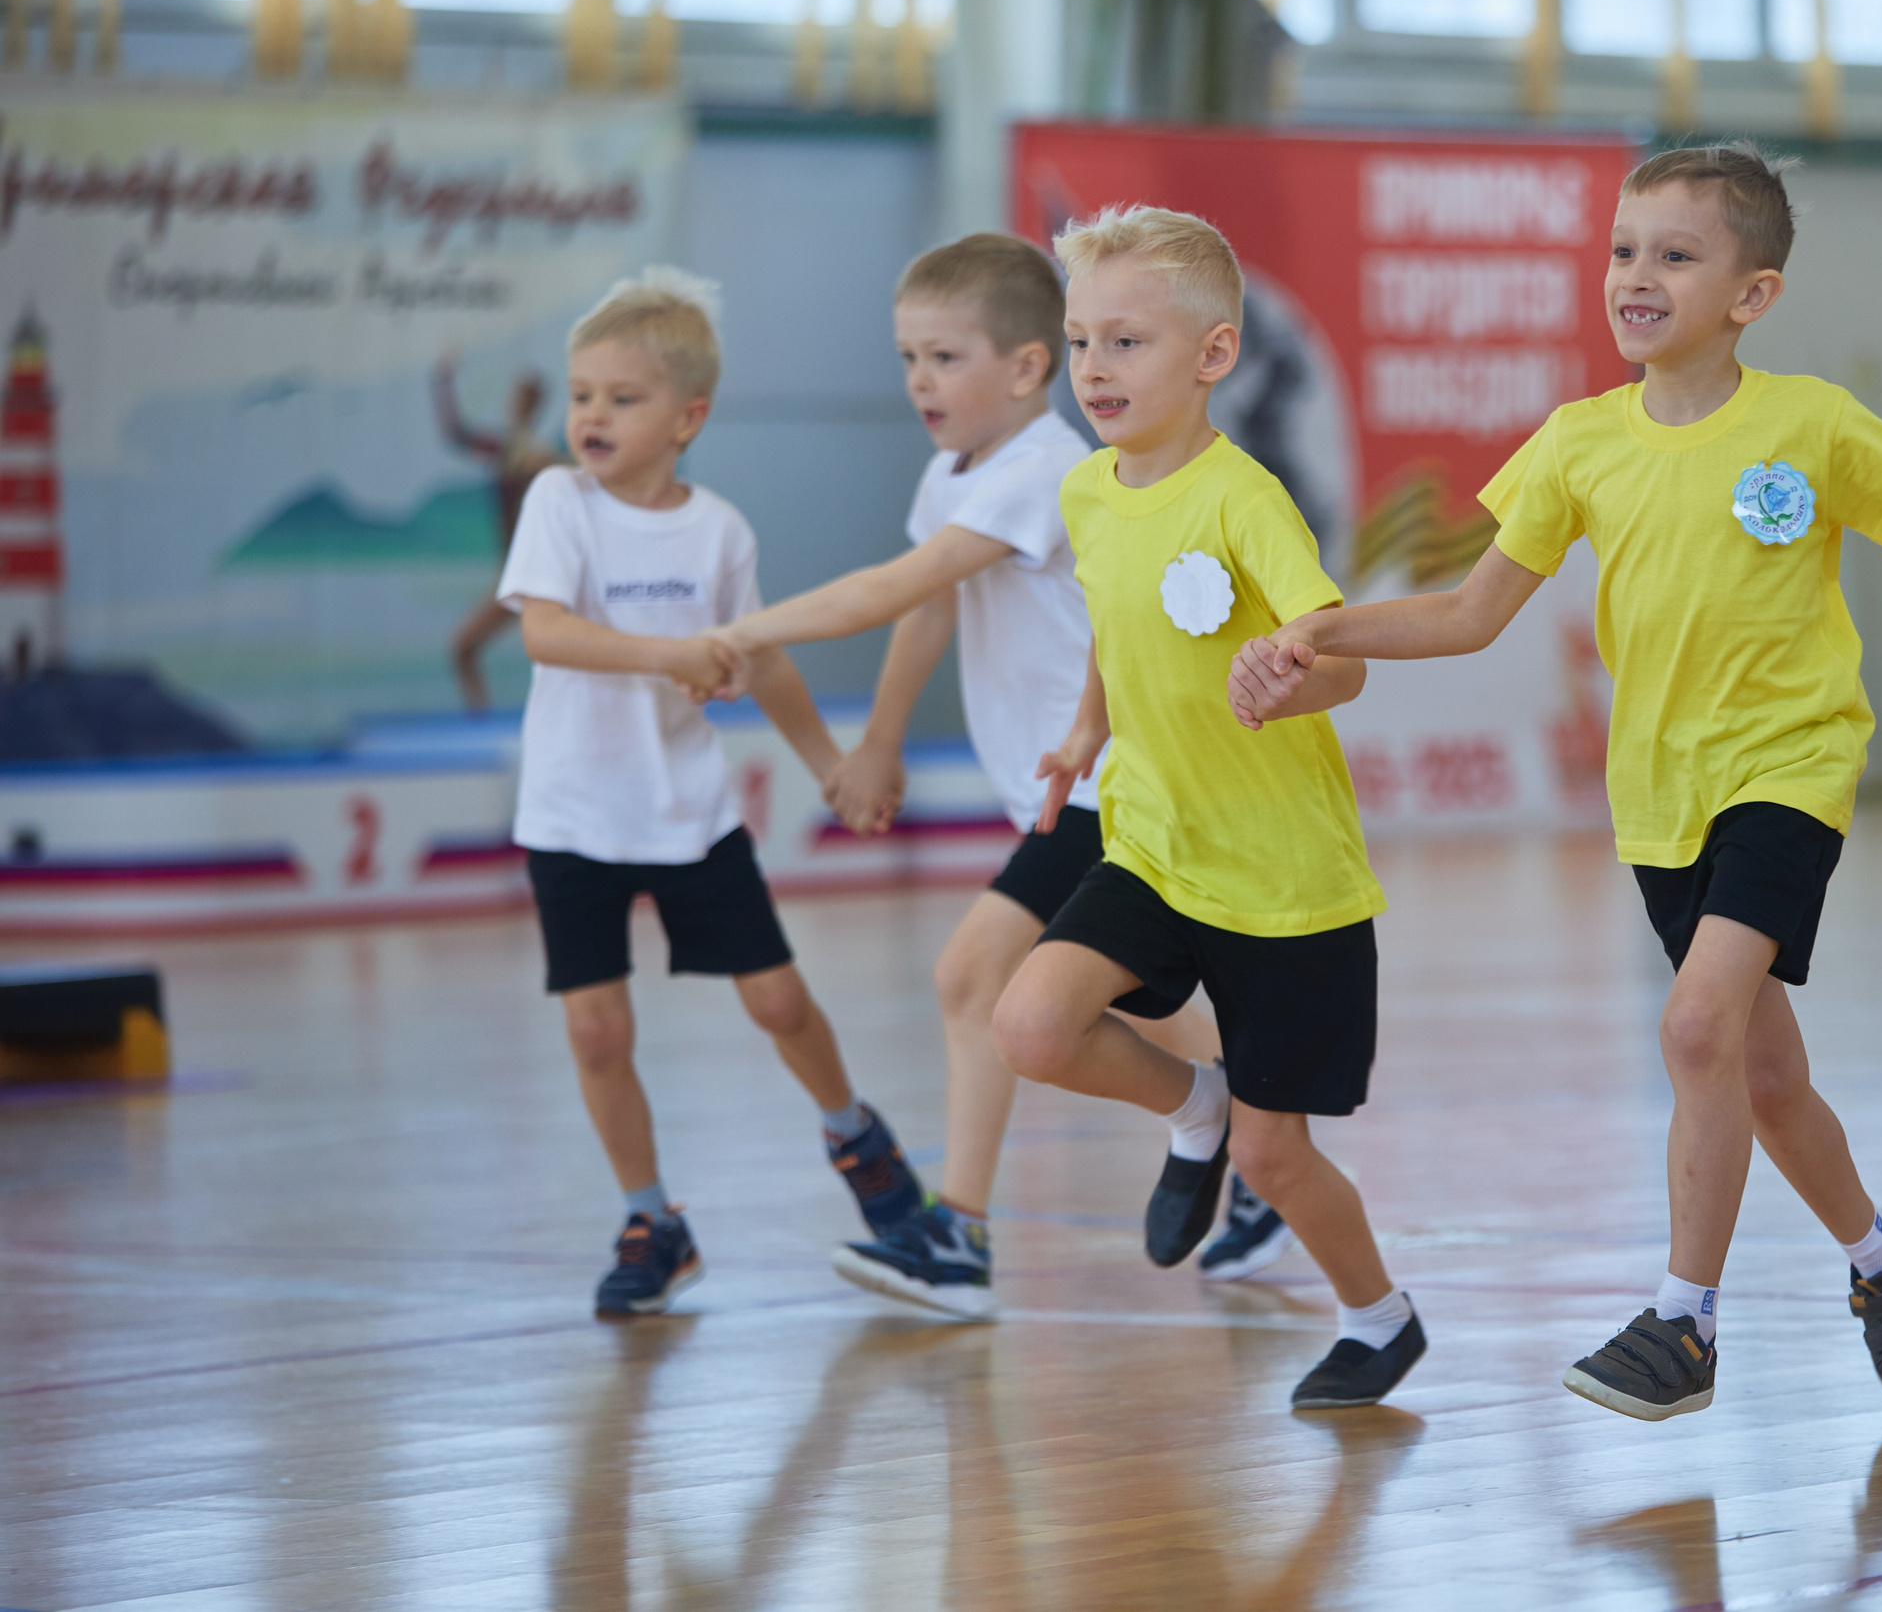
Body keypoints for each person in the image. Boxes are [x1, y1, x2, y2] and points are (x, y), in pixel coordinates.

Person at [1228, 145, 1882, 1424]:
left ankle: (1682, 1324)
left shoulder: (1813, 424)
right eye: (1624, 249)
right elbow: (1469, 615)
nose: (1637, 275)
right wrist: (1320, 633)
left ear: (1752, 294)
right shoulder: (1576, 446)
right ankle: (1880, 1260)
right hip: (1660, 800)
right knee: (1765, 1079)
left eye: (1676, 255)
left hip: (1790, 771)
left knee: (1693, 1030)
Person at [700, 233, 1293, 1318]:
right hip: (1073, 789)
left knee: (975, 976)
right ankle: (1263, 1159)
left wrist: (738, 633)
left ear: (1026, 370)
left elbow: (895, 585)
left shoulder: (1043, 471)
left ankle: (960, 1234)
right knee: (1146, 1010)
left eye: (945, 358)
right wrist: (877, 739)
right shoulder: (958, 473)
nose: (920, 382)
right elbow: (933, 605)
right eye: (908, 360)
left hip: (1123, 781)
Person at [985, 205, 1425, 1411]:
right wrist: (1088, 725)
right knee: (1031, 1025)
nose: (1093, 370)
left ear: (1212, 357)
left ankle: (1377, 1318)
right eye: (1080, 342)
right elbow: (1115, 630)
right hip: (1154, 843)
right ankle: (1195, 1104)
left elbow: (1341, 659)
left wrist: (1290, 679)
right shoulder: (1087, 492)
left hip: (1286, 883)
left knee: (1281, 1158)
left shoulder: (1245, 501)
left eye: (1125, 343)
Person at [496, 267, 927, 1317]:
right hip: (570, 817)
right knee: (599, 1032)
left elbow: (762, 658)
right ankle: (653, 1219)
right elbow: (546, 630)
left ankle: (853, 1133)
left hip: (687, 814)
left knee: (777, 1001)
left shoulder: (720, 532)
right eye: (581, 393)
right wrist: (671, 653)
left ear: (688, 417)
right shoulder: (559, 501)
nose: (591, 415)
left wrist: (828, 759)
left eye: (621, 398)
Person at [436, 354, 559, 711]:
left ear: (534, 405)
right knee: (463, 649)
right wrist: (442, 382)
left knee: (564, 657)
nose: (516, 405)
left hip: (542, 577)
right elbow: (456, 434)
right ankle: (481, 722)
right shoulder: (505, 450)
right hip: (514, 577)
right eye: (515, 397)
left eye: (524, 399)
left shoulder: (542, 458)